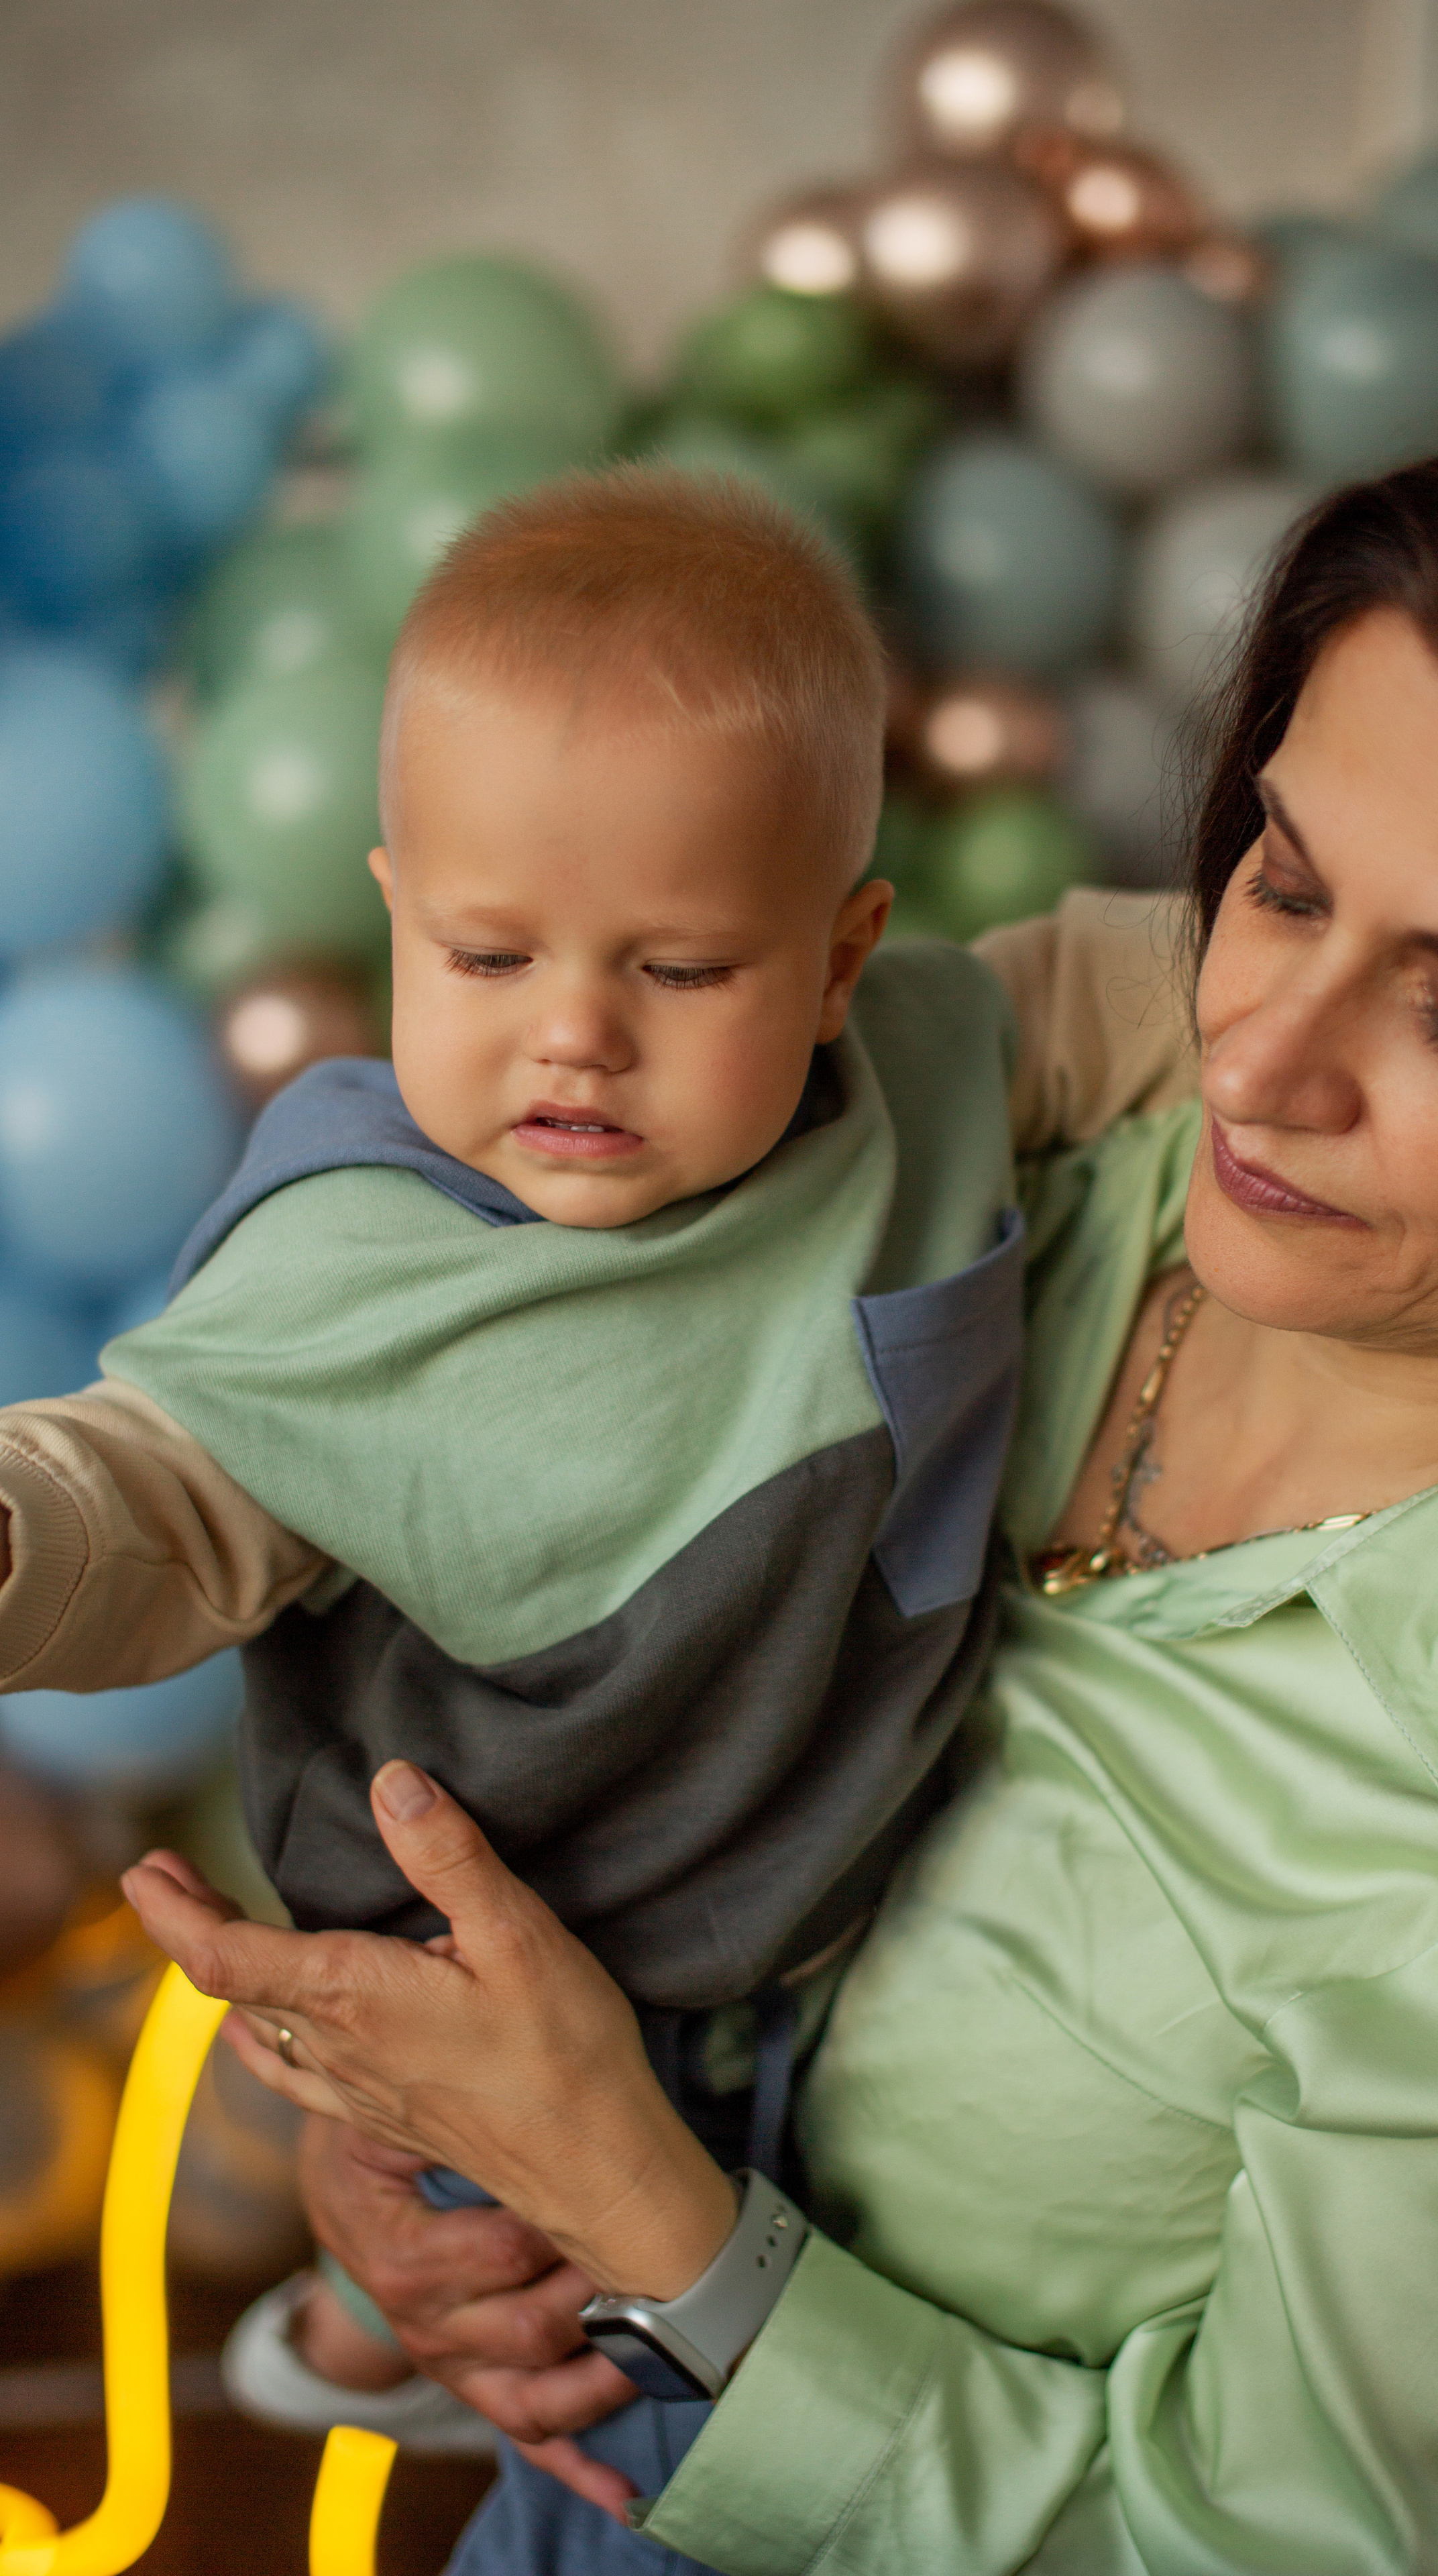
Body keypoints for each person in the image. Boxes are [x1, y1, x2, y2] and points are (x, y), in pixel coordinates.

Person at [127, 385, 1438, 2573]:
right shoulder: (986, 1148)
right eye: (1279, 880)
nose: (1258, 1053)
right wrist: (432, 2169)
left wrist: (658, 2223)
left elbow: (1267, 2543)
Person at [0, 466, 1182, 2441]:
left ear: (838, 957)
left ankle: (374, 2354)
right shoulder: (361, 1263)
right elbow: (150, 1489)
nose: (574, 1037)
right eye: (487, 958)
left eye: (680, 969)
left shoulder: (931, 1060)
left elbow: (1185, 985)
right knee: (617, 2437)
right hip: (508, 2013)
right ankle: (398, 2360)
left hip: (824, 1964)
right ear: (392, 916)